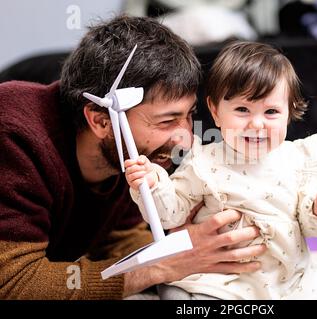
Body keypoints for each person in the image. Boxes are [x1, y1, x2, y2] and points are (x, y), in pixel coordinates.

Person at [0, 16, 266, 300]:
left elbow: (119, 237)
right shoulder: (14, 135)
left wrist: (183, 245)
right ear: (101, 121)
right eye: (167, 121)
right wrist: (158, 268)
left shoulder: (126, 156)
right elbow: (13, 282)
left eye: (189, 115)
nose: (186, 138)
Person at [125, 41, 317, 299]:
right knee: (178, 296)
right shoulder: (203, 162)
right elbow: (169, 216)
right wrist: (154, 184)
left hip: (288, 279)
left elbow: (312, 226)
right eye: (242, 109)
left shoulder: (298, 160)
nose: (256, 123)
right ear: (216, 112)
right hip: (221, 282)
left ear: (289, 112)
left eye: (271, 111)